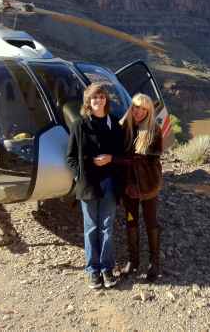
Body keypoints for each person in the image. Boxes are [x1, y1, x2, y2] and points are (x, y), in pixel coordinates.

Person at [66, 83, 123, 289]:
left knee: (107, 227)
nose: (98, 100)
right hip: (88, 184)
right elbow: (71, 158)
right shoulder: (79, 126)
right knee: (91, 228)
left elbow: (122, 155)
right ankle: (93, 270)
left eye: (101, 96)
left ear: (106, 99)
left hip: (109, 182)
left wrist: (111, 158)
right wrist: (81, 174)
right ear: (88, 102)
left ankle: (107, 268)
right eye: (93, 98)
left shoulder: (115, 125)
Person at [119, 93, 163, 282]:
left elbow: (153, 158)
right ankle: (133, 260)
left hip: (148, 185)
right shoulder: (125, 128)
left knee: (150, 221)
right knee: (131, 220)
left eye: (142, 108)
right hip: (129, 186)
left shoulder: (154, 130)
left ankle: (154, 262)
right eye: (135, 107)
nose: (138, 111)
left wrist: (128, 159)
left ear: (148, 111)